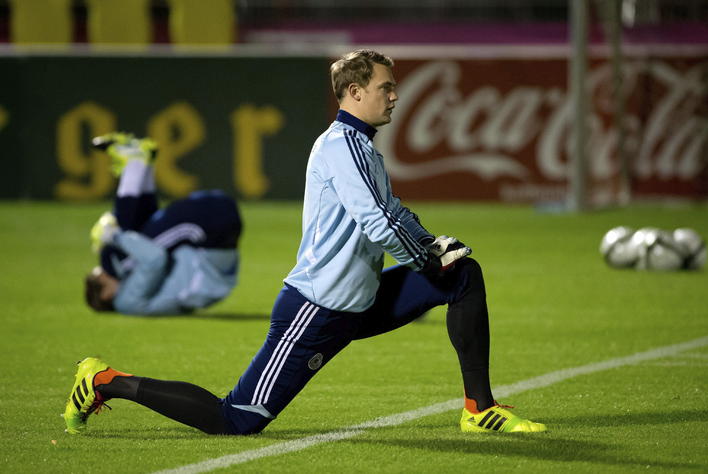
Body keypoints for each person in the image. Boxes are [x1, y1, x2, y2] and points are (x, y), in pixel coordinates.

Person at [64, 50, 546, 435]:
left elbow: (393, 211)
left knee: (462, 276)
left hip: (359, 299)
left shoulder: (361, 147)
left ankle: (479, 409)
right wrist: (423, 257)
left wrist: (430, 244)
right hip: (319, 309)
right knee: (236, 419)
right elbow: (378, 222)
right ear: (355, 92)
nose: (395, 96)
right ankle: (106, 381)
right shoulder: (341, 146)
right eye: (386, 87)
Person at [83, 132, 242, 316]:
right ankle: (136, 164)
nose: (105, 272)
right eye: (100, 277)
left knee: (137, 235)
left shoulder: (136, 293)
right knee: (125, 245)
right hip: (209, 237)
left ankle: (143, 163)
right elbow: (155, 258)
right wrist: (114, 236)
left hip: (213, 240)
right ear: (105, 295)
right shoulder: (125, 302)